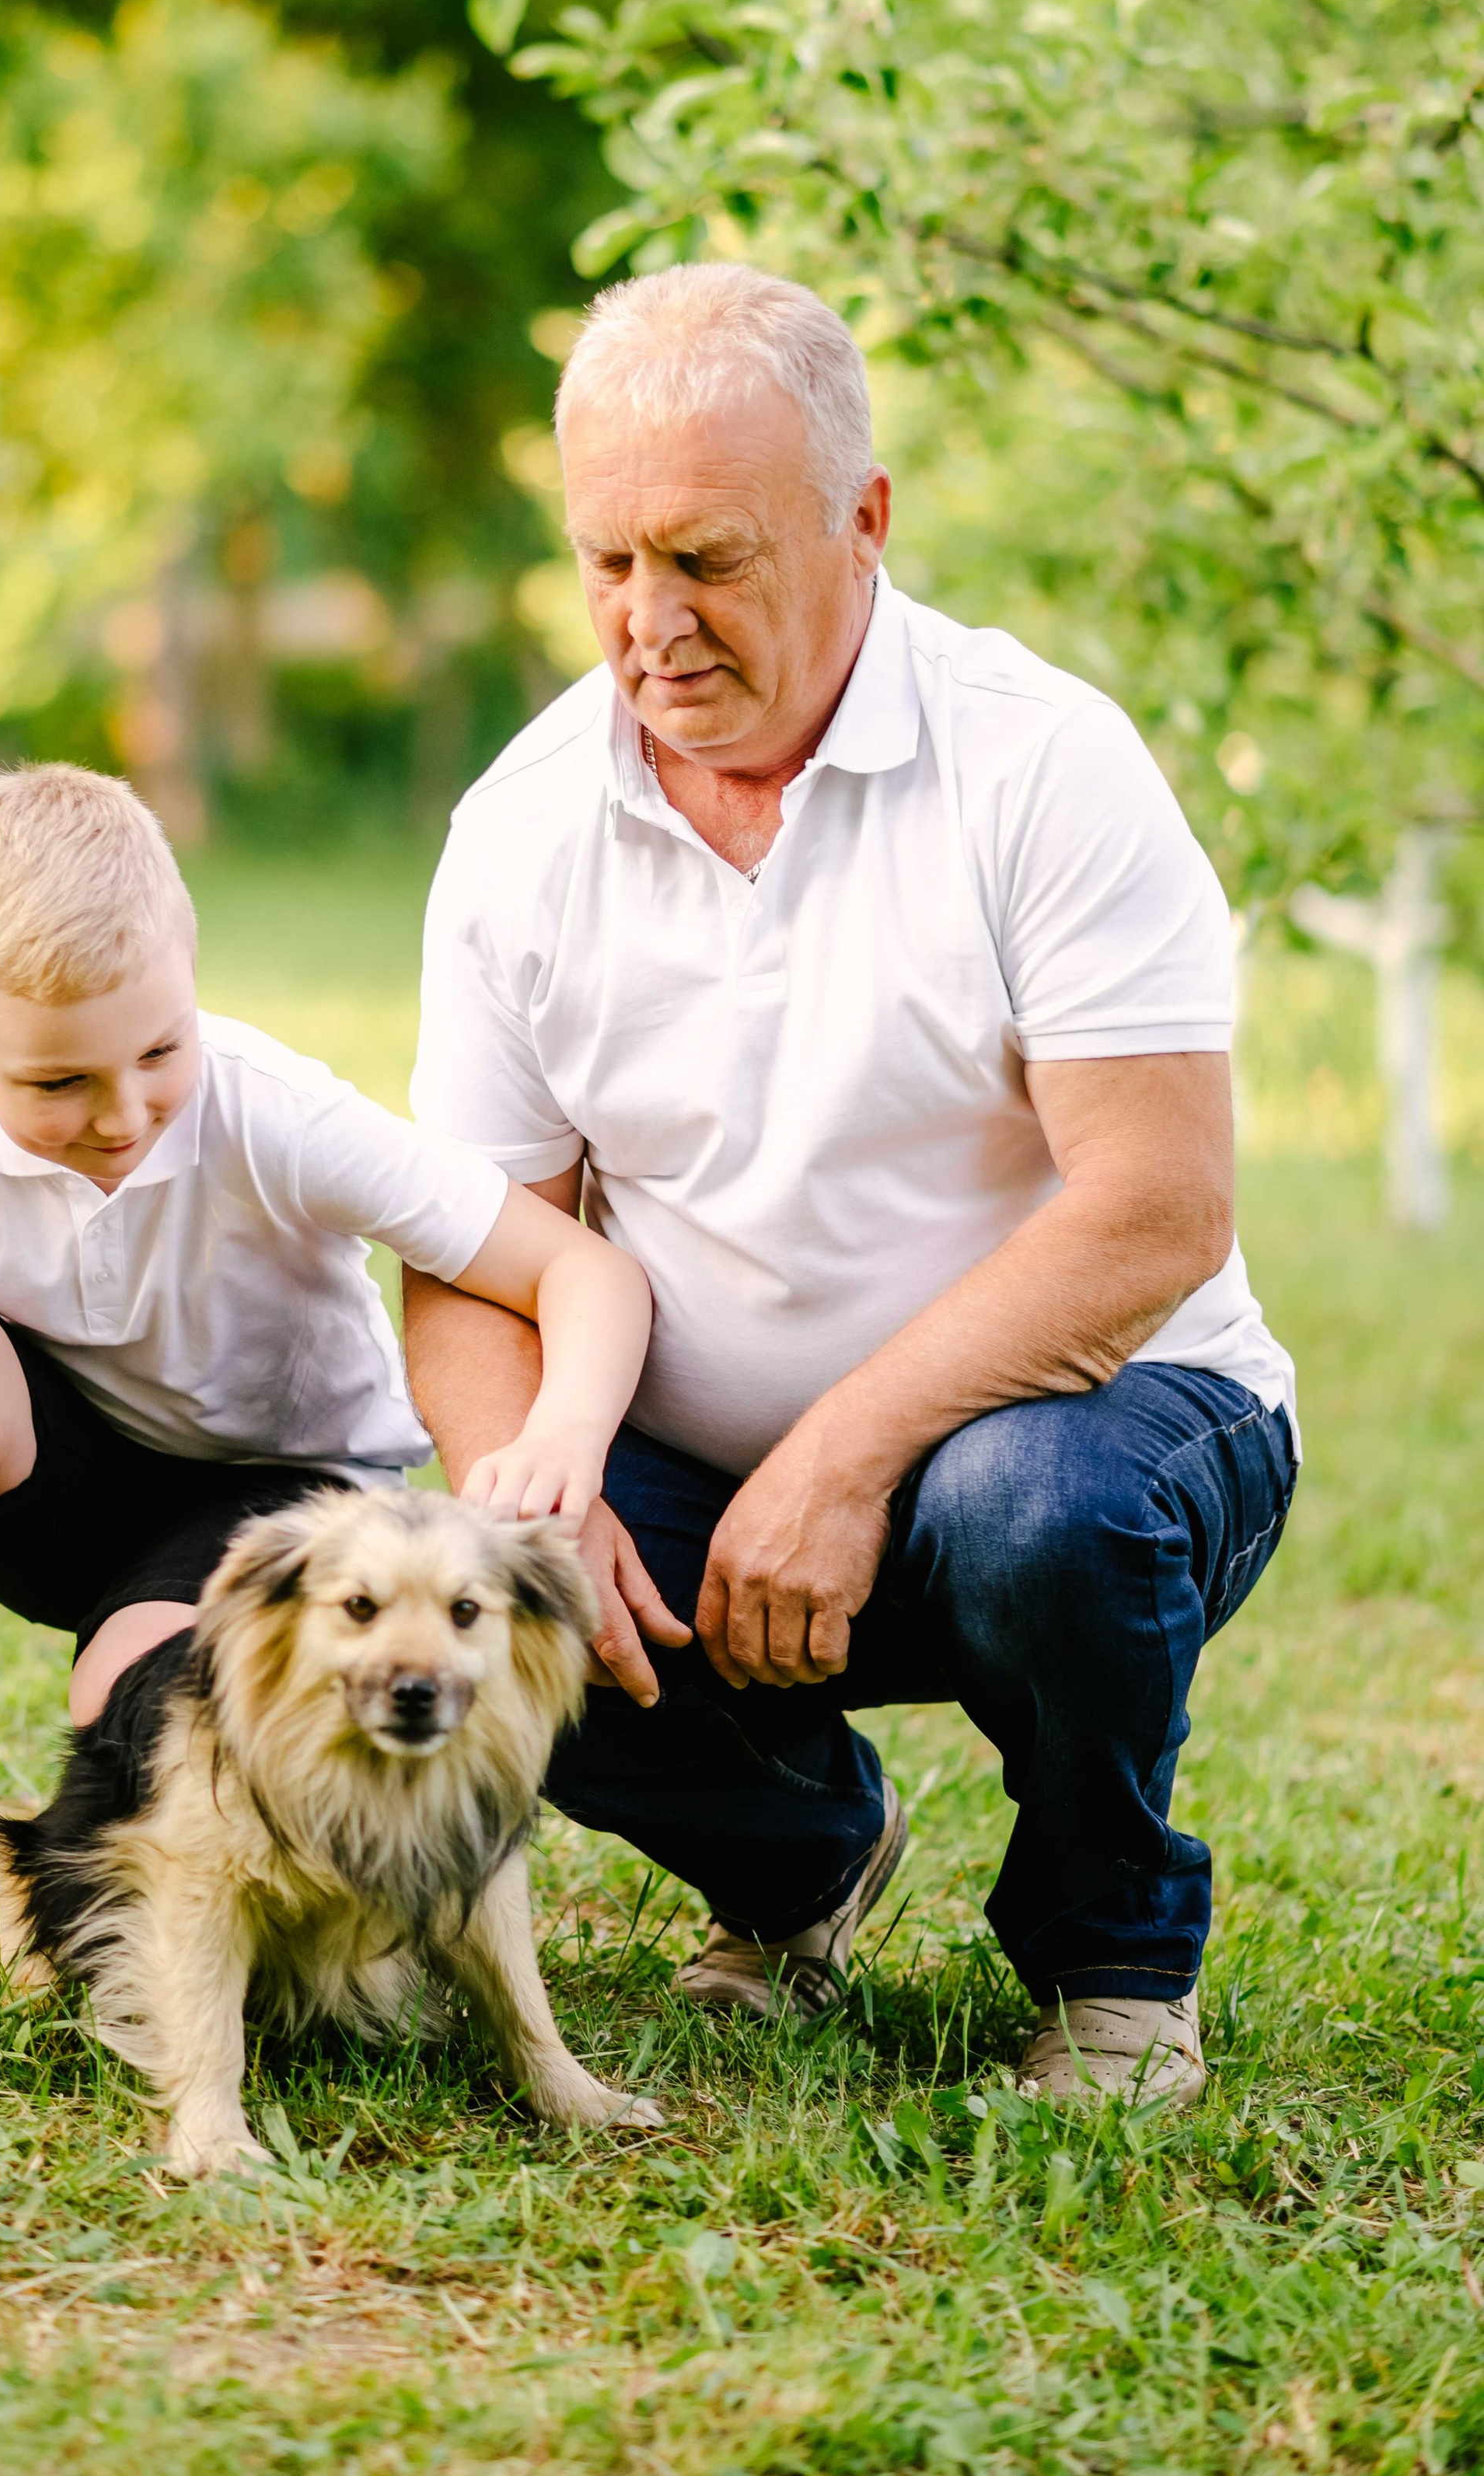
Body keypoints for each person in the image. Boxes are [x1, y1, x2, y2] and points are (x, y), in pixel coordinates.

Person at [405, 262, 1298, 2111]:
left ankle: (1113, 1963)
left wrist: (841, 1451)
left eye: (705, 559)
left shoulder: (1040, 764)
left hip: (1096, 1433)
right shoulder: (516, 830)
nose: (648, 621)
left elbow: (1152, 1212)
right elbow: (476, 1259)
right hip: (712, 1481)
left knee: (1036, 1511)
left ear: (863, 518)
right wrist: (530, 1496)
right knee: (467, 1576)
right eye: (605, 561)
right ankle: (799, 1857)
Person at [0, 764, 649, 1985]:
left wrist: (567, 1432)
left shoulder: (271, 1110)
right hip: (59, 1476)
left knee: (133, 1714)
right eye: (58, 1081)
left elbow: (584, 1274)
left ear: (191, 984)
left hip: (277, 1494)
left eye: (159, 1049)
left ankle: (340, 1898)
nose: (125, 1112)